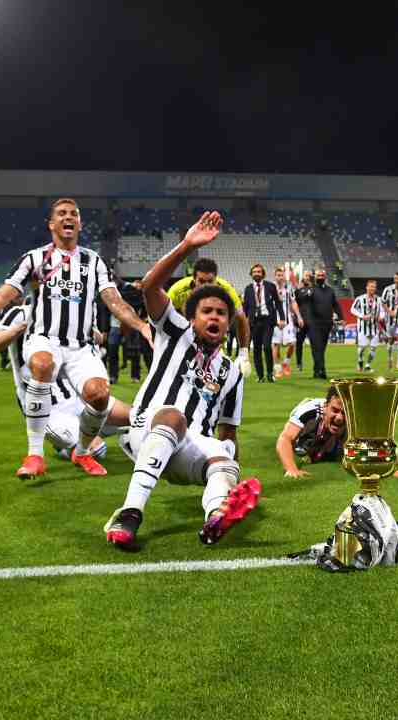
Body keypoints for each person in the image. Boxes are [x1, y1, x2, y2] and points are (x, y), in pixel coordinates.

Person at [0, 197, 152, 479]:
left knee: (98, 395)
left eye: (73, 213)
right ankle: (35, 454)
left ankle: (81, 452)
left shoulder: (93, 261)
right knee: (42, 363)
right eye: (61, 213)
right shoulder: (35, 258)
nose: (68, 217)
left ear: (80, 224)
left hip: (81, 347)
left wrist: (142, 326)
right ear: (51, 224)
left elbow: (114, 300)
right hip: (44, 338)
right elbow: (3, 296)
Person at [104, 211, 259, 549]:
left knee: (225, 458)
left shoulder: (231, 371)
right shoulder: (175, 332)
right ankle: (129, 514)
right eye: (207, 311)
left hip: (189, 447)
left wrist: (229, 470)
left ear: (228, 323)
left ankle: (216, 516)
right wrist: (187, 245)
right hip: (146, 430)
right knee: (175, 415)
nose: (215, 317)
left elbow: (229, 432)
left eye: (221, 313)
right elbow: (150, 286)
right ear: (192, 317)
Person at [0, 301, 130, 462]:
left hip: (77, 395)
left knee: (140, 418)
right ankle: (67, 446)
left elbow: (97, 338)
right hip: (50, 407)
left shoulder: (71, 313)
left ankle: (83, 436)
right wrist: (22, 327)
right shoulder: (20, 313)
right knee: (97, 450)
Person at [276, 386, 398, 479]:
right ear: (325, 406)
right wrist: (291, 469)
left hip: (334, 439)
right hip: (306, 427)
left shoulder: (355, 418)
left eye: (344, 413)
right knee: (299, 444)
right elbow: (285, 438)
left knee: (347, 450)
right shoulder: (309, 410)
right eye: (334, 410)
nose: (339, 417)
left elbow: (370, 446)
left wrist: (386, 468)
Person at [165, 257, 250, 373]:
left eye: (210, 281)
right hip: (184, 337)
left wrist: (243, 352)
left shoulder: (227, 290)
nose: (206, 286)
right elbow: (164, 316)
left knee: (216, 378)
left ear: (216, 279)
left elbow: (241, 318)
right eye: (201, 281)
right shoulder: (177, 290)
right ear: (194, 279)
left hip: (214, 340)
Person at [242, 263, 283, 382]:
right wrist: (243, 321)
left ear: (263, 274)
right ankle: (260, 376)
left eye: (259, 272)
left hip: (268, 321)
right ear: (251, 274)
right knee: (256, 349)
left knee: (267, 346)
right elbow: (245, 307)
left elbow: (278, 303)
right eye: (254, 272)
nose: (256, 274)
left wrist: (282, 318)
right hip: (254, 322)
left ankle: (270, 374)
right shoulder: (248, 288)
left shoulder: (270, 286)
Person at [300, 268, 343, 379]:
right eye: (318, 276)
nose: (320, 277)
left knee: (321, 348)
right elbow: (302, 299)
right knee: (317, 347)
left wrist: (341, 316)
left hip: (327, 323)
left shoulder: (330, 290)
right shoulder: (311, 289)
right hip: (313, 323)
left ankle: (316, 370)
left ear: (325, 277)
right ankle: (322, 371)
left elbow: (335, 304)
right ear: (315, 277)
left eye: (322, 276)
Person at [271, 266, 302, 378]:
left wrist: (299, 317)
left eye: (281, 275)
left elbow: (293, 303)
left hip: (288, 319)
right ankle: (277, 368)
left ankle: (286, 363)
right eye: (278, 275)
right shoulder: (271, 288)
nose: (280, 277)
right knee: (275, 344)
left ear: (284, 276)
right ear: (275, 276)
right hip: (275, 319)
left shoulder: (289, 288)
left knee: (293, 343)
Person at [350, 279, 386, 373]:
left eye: (374, 287)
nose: (372, 288)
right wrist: (362, 316)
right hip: (363, 327)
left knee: (373, 347)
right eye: (370, 286)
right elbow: (352, 309)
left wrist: (381, 317)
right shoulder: (360, 299)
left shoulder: (379, 299)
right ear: (367, 287)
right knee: (362, 347)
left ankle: (368, 365)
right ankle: (360, 360)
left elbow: (382, 310)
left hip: (374, 327)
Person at [294, 271, 313, 372]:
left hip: (313, 322)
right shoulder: (298, 291)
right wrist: (297, 317)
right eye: (305, 276)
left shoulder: (315, 290)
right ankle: (299, 363)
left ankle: (317, 363)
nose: (307, 277)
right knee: (299, 343)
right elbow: (294, 305)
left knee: (315, 343)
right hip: (301, 322)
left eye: (308, 276)